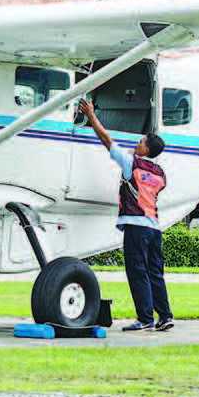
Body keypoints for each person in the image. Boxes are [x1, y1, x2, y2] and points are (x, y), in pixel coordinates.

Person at [76, 98, 172, 332]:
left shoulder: (132, 164)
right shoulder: (160, 173)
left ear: (146, 149)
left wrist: (91, 116)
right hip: (154, 228)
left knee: (137, 272)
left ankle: (145, 318)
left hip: (136, 227)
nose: (136, 143)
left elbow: (107, 140)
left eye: (140, 141)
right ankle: (165, 316)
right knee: (155, 274)